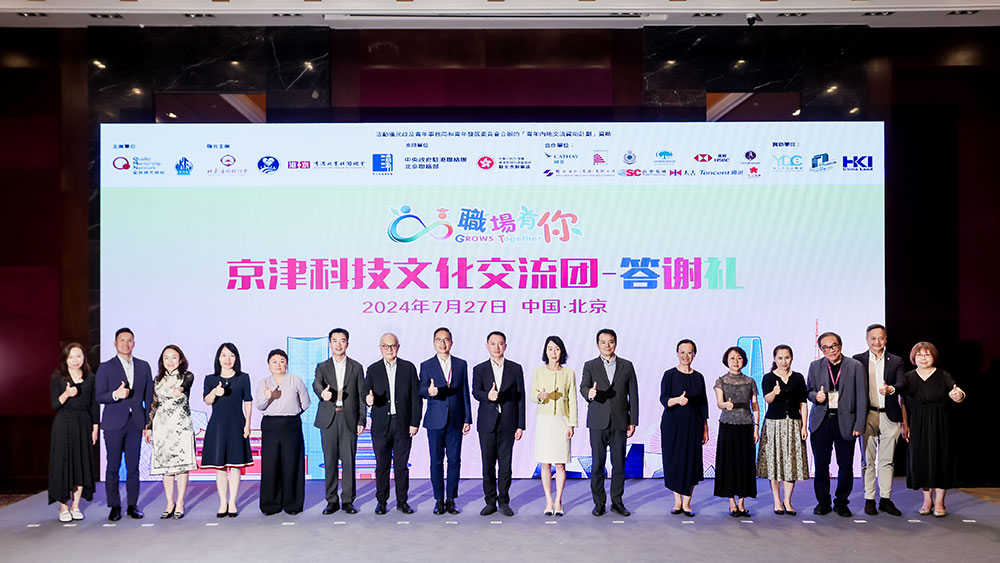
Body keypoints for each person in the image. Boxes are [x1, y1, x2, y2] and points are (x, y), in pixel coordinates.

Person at [900, 342, 966, 517]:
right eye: (919, 355)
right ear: (913, 358)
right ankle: (927, 500)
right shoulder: (907, 377)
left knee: (940, 460)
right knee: (921, 462)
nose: (923, 358)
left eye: (927, 354)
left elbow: (957, 393)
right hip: (917, 424)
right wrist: (905, 424)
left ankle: (939, 502)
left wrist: (958, 395)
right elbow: (902, 403)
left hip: (940, 423)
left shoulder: (943, 375)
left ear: (933, 356)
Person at [807, 331, 867, 517]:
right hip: (821, 422)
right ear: (821, 349)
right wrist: (816, 396)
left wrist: (860, 424)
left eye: (833, 345)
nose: (831, 350)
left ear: (840, 345)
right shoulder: (815, 366)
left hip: (847, 422)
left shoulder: (855, 366)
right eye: (825, 347)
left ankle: (841, 502)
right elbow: (808, 391)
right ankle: (823, 502)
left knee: (846, 465)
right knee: (821, 465)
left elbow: (862, 396)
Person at [95, 327, 153, 521]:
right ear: (115, 343)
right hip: (113, 423)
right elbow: (99, 396)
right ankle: (114, 506)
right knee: (112, 466)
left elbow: (149, 397)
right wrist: (115, 395)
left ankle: (132, 506)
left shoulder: (143, 366)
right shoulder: (106, 367)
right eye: (122, 340)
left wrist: (148, 424)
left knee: (133, 467)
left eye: (129, 340)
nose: (126, 344)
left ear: (134, 343)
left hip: (136, 423)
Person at [580, 328, 638, 517]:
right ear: (597, 345)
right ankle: (599, 502)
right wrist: (589, 393)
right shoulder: (590, 365)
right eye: (603, 342)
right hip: (597, 421)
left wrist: (633, 420)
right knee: (597, 464)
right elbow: (583, 387)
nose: (607, 345)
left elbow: (633, 394)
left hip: (620, 421)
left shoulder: (627, 365)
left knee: (619, 464)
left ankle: (617, 502)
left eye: (611, 341)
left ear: (616, 343)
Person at [363, 333, 421, 515]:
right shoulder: (373, 369)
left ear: (398, 347)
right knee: (382, 466)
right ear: (380, 348)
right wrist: (367, 399)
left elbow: (416, 397)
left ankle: (402, 502)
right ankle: (381, 502)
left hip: (403, 424)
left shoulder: (408, 368)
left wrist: (414, 422)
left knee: (401, 466)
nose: (389, 349)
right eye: (385, 346)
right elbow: (365, 392)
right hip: (381, 426)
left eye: (392, 346)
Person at [852, 324, 906, 516]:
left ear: (886, 339)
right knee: (867, 460)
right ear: (867, 339)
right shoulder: (857, 360)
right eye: (873, 338)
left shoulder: (896, 360)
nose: (877, 342)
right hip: (867, 415)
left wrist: (891, 389)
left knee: (887, 461)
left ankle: (885, 499)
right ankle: (869, 499)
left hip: (889, 415)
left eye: (881, 338)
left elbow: (902, 383)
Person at [419, 327, 472, 515]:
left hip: (456, 420)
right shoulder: (426, 365)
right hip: (435, 420)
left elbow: (465, 392)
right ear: (434, 343)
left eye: (446, 340)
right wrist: (429, 391)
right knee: (436, 461)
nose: (443, 343)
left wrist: (467, 418)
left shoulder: (461, 364)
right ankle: (438, 500)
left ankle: (451, 499)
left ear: (451, 342)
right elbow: (421, 389)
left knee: (454, 461)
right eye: (439, 340)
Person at [472, 331, 526, 517]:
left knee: (505, 465)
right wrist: (488, 395)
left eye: (500, 343)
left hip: (508, 423)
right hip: (487, 424)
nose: (497, 347)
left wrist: (520, 425)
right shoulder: (479, 369)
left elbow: (521, 397)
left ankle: (504, 501)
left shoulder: (515, 368)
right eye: (493, 343)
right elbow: (475, 392)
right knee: (487, 465)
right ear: (487, 346)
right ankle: (490, 501)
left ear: (505, 346)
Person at [313, 328, 366, 515]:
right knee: (330, 461)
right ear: (329, 343)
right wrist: (322, 393)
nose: (338, 344)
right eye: (334, 340)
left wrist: (362, 419)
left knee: (348, 460)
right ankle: (332, 500)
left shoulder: (356, 367)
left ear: (347, 343)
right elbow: (316, 383)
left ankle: (348, 500)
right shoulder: (322, 366)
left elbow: (361, 395)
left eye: (342, 340)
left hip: (348, 418)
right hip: (329, 418)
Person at [144, 345, 197, 519]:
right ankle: (169, 502)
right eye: (166, 357)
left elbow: (185, 385)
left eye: (174, 357)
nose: (170, 361)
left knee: (181, 466)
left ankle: (180, 502)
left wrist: (179, 390)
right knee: (166, 468)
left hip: (181, 426)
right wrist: (149, 426)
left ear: (180, 359)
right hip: (162, 426)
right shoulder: (158, 379)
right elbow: (154, 404)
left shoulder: (186, 376)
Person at [256, 349, 311, 515]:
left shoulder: (295, 380)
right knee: (270, 464)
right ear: (268, 365)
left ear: (286, 363)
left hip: (291, 425)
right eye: (274, 361)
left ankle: (292, 504)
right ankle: (270, 504)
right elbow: (260, 405)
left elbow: (305, 403)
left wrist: (291, 414)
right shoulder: (264, 382)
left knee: (291, 463)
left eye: (282, 361)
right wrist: (267, 396)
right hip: (270, 426)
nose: (278, 364)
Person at [201, 342, 253, 517]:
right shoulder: (211, 379)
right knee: (220, 466)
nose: (227, 359)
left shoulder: (243, 378)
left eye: (231, 355)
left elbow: (248, 401)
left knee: (236, 465)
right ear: (218, 358)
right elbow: (207, 401)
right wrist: (215, 392)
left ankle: (233, 502)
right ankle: (223, 502)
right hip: (218, 426)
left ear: (236, 358)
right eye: (224, 355)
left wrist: (248, 424)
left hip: (237, 424)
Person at [756, 345, 809, 516]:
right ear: (774, 359)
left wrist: (804, 425)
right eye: (780, 358)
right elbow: (767, 399)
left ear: (791, 358)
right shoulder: (768, 378)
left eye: (787, 357)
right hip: (774, 424)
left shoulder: (798, 378)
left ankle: (787, 500)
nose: (784, 361)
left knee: (791, 463)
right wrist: (774, 392)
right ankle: (777, 501)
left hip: (793, 423)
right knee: (774, 463)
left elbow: (803, 403)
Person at [48, 343, 99, 522]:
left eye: (79, 356)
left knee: (81, 463)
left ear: (84, 357)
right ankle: (64, 507)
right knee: (63, 463)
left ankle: (76, 506)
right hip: (63, 424)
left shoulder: (91, 378)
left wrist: (95, 428)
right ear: (65, 359)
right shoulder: (57, 377)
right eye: (71, 357)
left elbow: (94, 405)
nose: (75, 360)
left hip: (83, 423)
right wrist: (67, 394)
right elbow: (55, 403)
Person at [660, 339, 708, 517]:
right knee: (675, 461)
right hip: (672, 425)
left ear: (694, 354)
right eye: (682, 352)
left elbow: (703, 404)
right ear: (677, 353)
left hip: (694, 425)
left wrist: (705, 427)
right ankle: (677, 501)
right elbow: (664, 399)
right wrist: (677, 400)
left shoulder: (698, 377)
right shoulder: (669, 375)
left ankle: (687, 502)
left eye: (689, 352)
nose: (685, 356)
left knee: (692, 462)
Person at [531, 335, 577, 517]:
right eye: (550, 348)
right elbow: (532, 394)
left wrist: (572, 424)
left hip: (562, 421)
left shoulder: (569, 373)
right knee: (545, 463)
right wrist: (540, 396)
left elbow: (572, 400)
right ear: (546, 351)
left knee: (560, 464)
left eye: (557, 349)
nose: (553, 352)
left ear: (562, 351)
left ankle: (558, 500)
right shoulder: (539, 371)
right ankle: (548, 500)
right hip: (544, 421)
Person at [713, 346, 760, 516]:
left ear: (744, 361)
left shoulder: (750, 381)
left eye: (739, 358)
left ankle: (742, 503)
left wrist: (756, 427)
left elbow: (755, 406)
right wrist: (726, 405)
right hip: (728, 425)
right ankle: (731, 502)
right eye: (732, 358)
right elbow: (719, 403)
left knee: (745, 464)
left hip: (746, 426)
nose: (735, 361)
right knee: (729, 463)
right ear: (726, 361)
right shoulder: (721, 381)